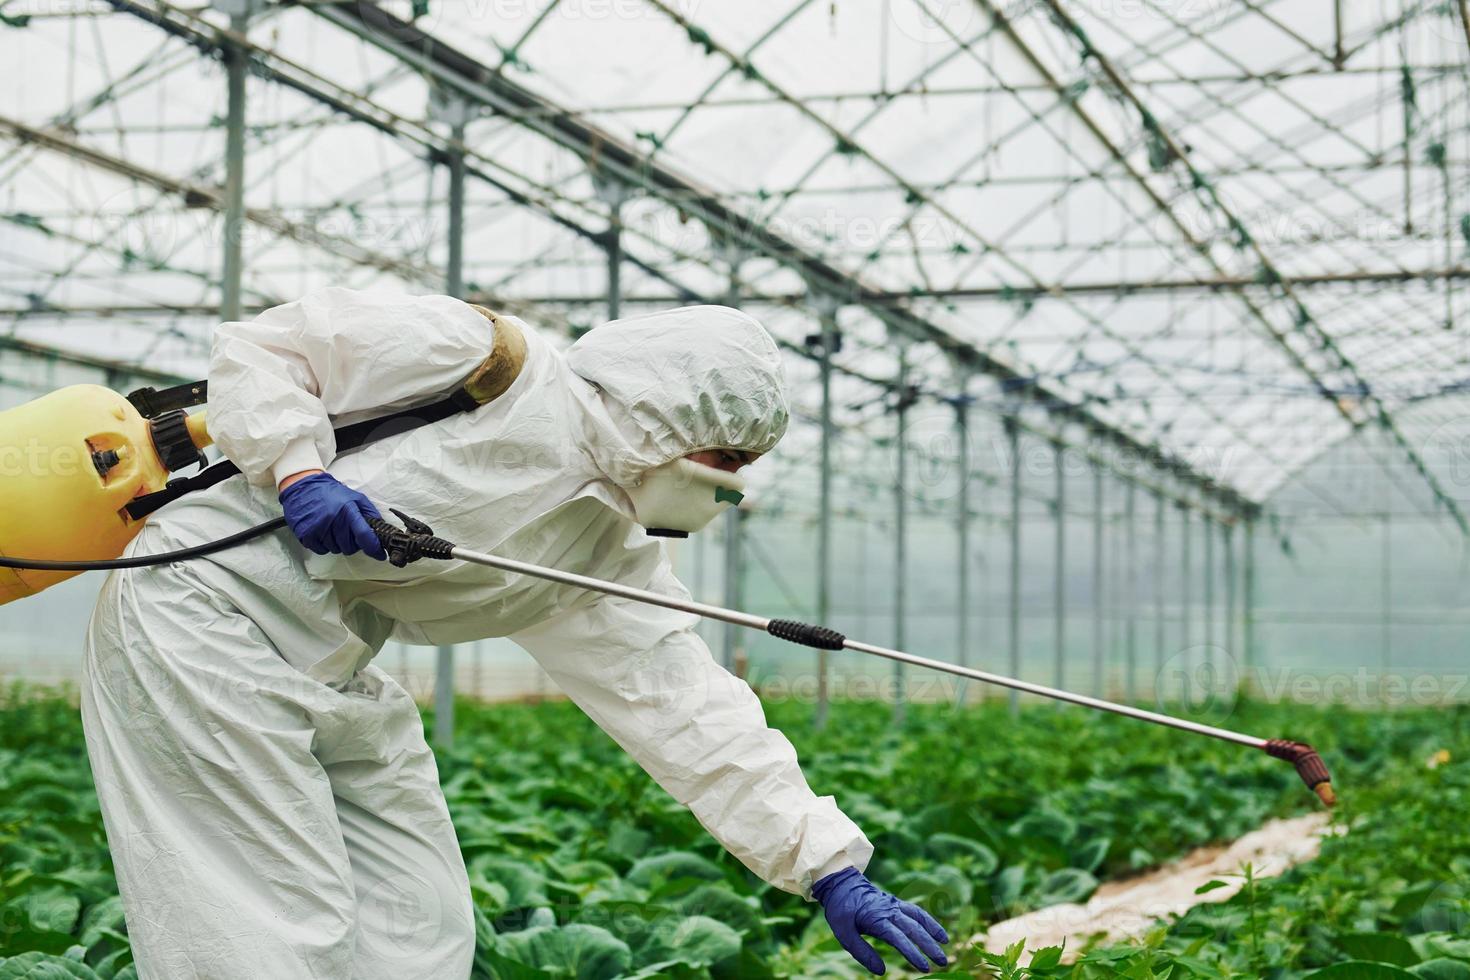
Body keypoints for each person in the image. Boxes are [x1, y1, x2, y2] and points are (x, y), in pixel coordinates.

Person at [81, 287, 948, 979]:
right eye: (728, 463)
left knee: (419, 925)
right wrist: (299, 468)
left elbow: (685, 708)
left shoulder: (605, 551)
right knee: (267, 928)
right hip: (200, 614)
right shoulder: (487, 359)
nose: (728, 490)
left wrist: (828, 865)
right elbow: (267, 348)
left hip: (334, 658)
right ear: (674, 419)